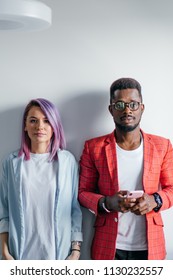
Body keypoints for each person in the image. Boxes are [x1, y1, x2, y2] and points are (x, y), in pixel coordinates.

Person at [78, 77, 173, 260]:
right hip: (108, 246)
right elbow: (83, 192)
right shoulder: (94, 147)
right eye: (120, 104)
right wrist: (107, 203)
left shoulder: (163, 146)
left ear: (142, 108)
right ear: (111, 109)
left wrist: (155, 200)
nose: (127, 110)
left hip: (150, 246)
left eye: (133, 104)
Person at [0, 98, 82, 260]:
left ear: (54, 126)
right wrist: (5, 252)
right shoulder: (11, 162)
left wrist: (75, 251)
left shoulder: (66, 161)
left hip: (58, 255)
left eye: (47, 121)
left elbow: (74, 209)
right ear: (25, 125)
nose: (40, 127)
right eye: (33, 120)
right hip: (19, 256)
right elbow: (4, 211)